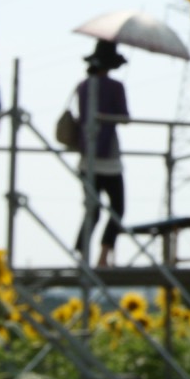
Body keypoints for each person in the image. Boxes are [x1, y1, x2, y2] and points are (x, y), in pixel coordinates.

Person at [74, 40, 130, 267]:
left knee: (92, 209)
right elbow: (124, 117)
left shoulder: (83, 86)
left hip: (87, 155)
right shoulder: (116, 87)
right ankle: (103, 256)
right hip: (109, 156)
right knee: (118, 207)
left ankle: (81, 252)